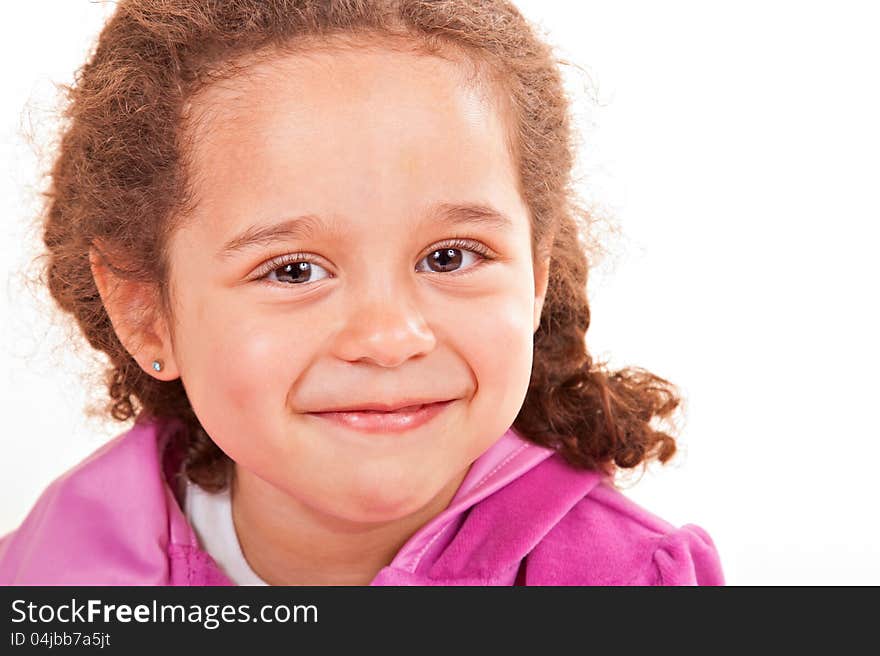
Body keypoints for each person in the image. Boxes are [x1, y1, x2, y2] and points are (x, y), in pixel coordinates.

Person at [0, 0, 724, 586]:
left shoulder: (624, 581)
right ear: (144, 312)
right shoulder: (59, 572)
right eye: (293, 271)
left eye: (449, 257)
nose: (388, 337)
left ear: (536, 275)